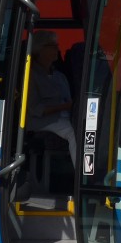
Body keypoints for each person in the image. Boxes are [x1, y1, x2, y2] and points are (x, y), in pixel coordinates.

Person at [26, 30, 76, 166]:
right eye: (52, 46)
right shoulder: (30, 76)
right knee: (74, 134)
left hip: (64, 117)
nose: (57, 49)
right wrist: (64, 107)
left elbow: (68, 99)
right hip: (42, 121)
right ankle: (83, 177)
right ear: (39, 49)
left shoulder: (60, 76)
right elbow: (34, 109)